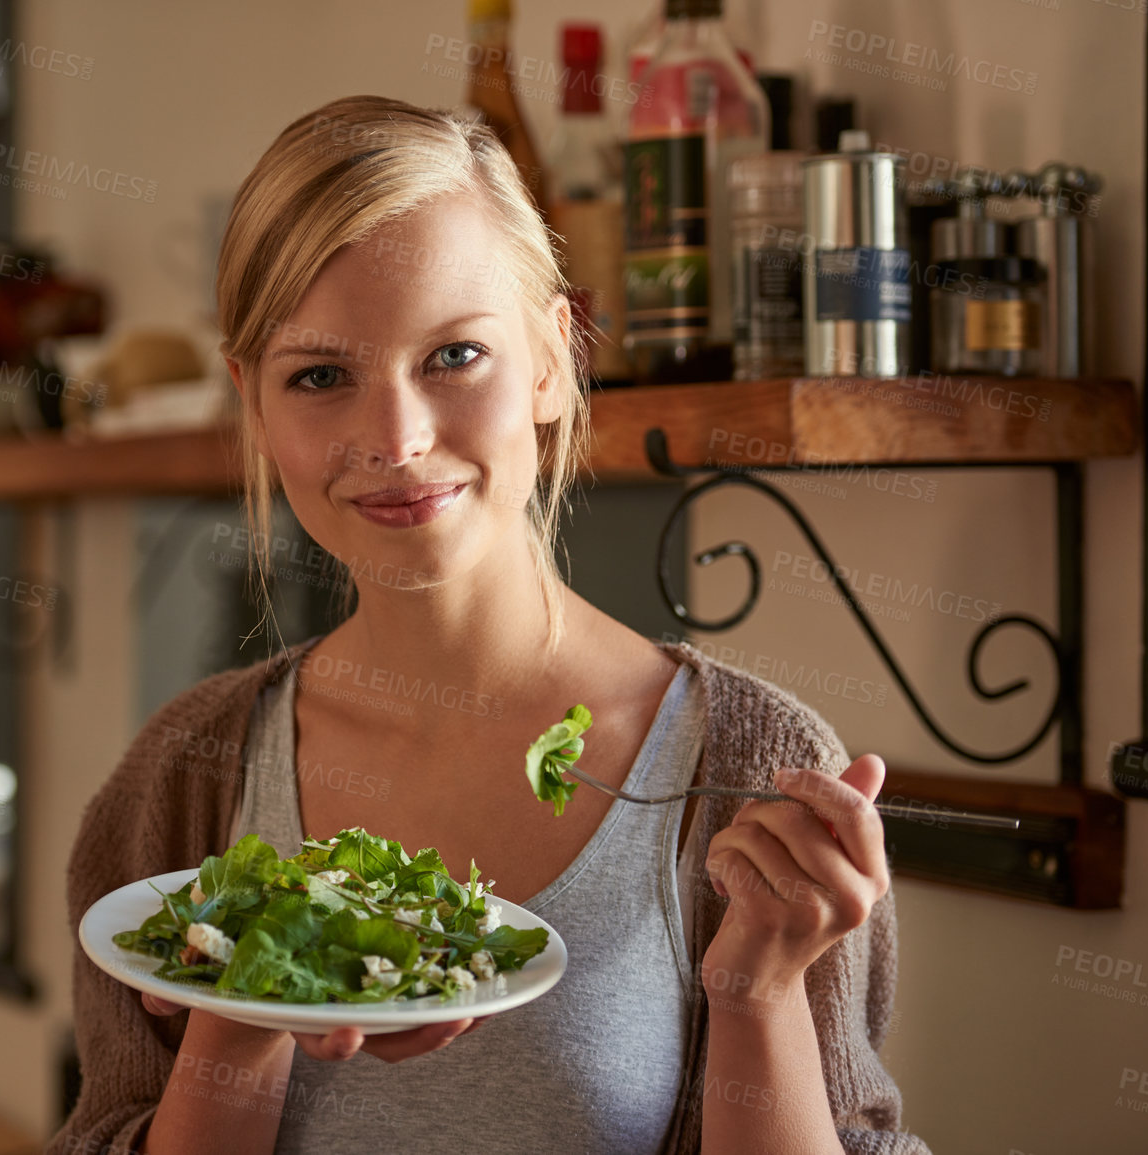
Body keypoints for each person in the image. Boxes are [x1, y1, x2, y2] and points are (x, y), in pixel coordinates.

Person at [45, 94, 930, 1155]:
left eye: (455, 356)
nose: (398, 436)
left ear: (553, 358)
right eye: (321, 377)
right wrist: (233, 1037)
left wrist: (758, 995)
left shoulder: (750, 767)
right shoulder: (176, 783)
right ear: (254, 404)